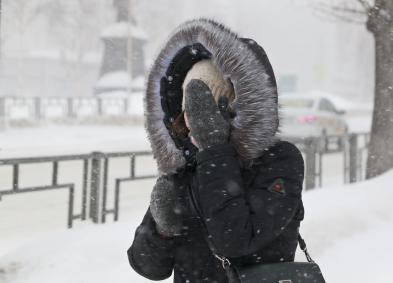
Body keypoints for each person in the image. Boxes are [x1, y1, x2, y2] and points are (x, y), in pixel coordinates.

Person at [127, 18, 305, 283]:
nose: (193, 121)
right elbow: (150, 268)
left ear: (234, 107)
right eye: (189, 110)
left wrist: (214, 148)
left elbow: (235, 239)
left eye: (206, 108)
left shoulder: (278, 161)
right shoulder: (185, 166)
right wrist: (161, 231)